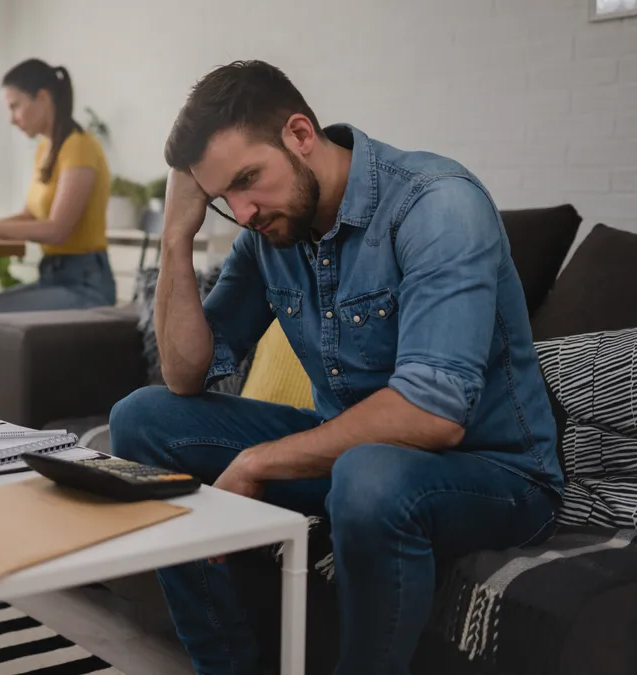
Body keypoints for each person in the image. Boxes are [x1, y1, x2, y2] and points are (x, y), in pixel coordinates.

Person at [108, 60, 563, 675]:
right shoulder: (268, 235)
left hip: (495, 475)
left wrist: (257, 461)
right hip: (348, 466)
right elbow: (188, 376)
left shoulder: (437, 204)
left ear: (300, 134)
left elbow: (433, 412)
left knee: (369, 474)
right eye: (223, 198)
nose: (243, 212)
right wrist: (175, 240)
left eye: (249, 179)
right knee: (142, 419)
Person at [0, 58, 117, 414]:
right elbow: (31, 215)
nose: (12, 117)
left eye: (15, 106)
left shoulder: (79, 146)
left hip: (85, 285)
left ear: (43, 98)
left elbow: (57, 229)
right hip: (55, 276)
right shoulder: (47, 148)